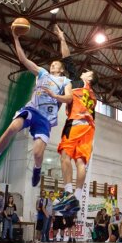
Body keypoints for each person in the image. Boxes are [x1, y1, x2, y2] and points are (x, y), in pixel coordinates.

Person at [0, 24, 72, 187]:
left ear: (62, 69)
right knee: (12, 128)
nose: (52, 65)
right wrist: (16, 38)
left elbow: (69, 98)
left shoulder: (64, 81)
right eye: (52, 64)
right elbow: (23, 60)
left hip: (46, 120)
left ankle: (37, 168)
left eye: (56, 64)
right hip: (32, 110)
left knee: (37, 153)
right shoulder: (42, 73)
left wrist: (55, 95)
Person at [51, 27, 98, 214]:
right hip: (89, 129)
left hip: (75, 123)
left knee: (64, 156)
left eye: (87, 71)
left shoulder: (78, 83)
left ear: (90, 77)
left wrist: (62, 39)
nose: (83, 71)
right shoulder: (94, 96)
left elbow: (67, 59)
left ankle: (68, 192)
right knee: (80, 162)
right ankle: (77, 196)